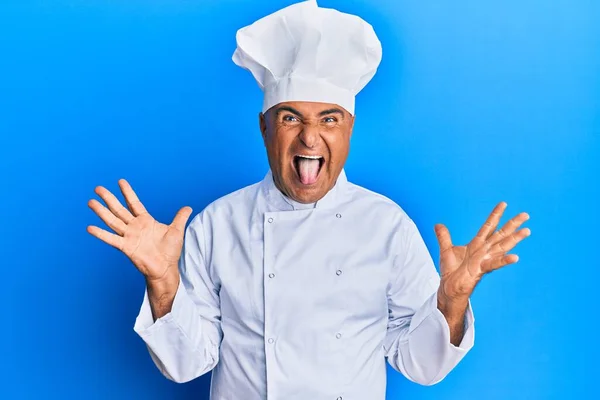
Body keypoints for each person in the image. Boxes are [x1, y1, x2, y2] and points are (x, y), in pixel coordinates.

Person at [87, 1, 530, 399]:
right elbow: (185, 366)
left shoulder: (386, 225)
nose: (310, 136)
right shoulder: (217, 224)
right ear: (264, 127)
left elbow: (421, 366)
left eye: (329, 118)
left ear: (349, 129)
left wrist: (450, 301)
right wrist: (164, 284)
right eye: (291, 117)